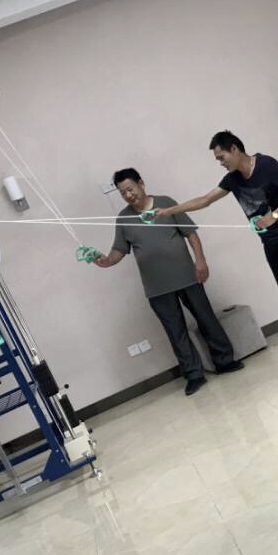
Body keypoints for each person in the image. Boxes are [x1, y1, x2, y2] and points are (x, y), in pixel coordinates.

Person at [155, 131, 278, 371]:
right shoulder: (232, 179)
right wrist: (168, 211)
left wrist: (274, 215)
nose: (221, 163)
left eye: (221, 157)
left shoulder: (266, 165)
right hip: (270, 242)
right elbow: (205, 200)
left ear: (234, 149)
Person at [94, 168, 243, 396]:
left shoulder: (166, 203)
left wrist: (200, 261)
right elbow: (118, 252)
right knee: (176, 332)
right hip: (157, 287)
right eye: (123, 193)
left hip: (187, 276)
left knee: (206, 318)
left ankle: (225, 362)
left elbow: (191, 233)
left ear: (141, 183)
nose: (128, 195)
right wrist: (103, 261)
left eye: (130, 189)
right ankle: (194, 375)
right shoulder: (123, 219)